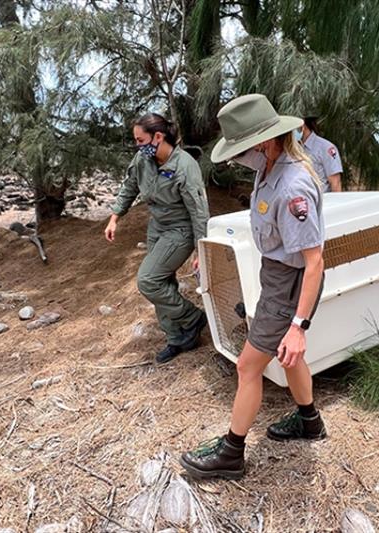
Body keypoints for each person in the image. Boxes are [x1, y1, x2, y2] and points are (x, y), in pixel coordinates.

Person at [179, 94, 326, 480]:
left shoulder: (293, 186)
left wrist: (298, 326)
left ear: (262, 142)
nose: (236, 157)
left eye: (240, 147)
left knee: (248, 367)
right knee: (285, 356)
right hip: (276, 274)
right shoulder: (269, 163)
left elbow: (314, 263)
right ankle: (310, 422)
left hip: (291, 282)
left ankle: (231, 454)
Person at [105, 113, 210, 364]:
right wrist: (114, 217)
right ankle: (177, 338)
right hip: (157, 227)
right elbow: (130, 186)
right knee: (164, 283)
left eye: (141, 140)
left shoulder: (185, 166)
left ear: (158, 137)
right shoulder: (143, 158)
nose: (138, 145)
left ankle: (193, 318)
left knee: (148, 280)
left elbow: (198, 211)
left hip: (180, 230)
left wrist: (200, 248)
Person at [299, 115, 343, 192]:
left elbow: (335, 182)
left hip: (323, 201)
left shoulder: (326, 148)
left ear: (302, 125)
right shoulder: (293, 148)